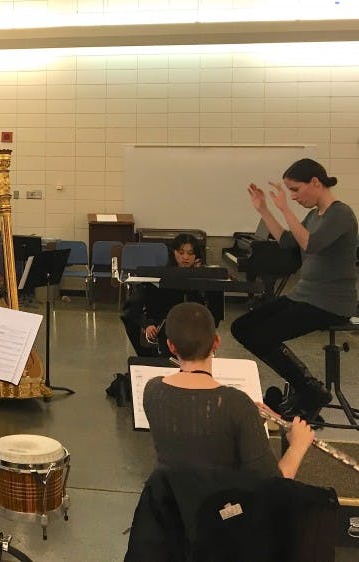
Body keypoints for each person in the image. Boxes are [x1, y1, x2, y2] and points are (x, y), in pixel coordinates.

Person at [231, 158, 358, 421]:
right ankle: (307, 387)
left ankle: (309, 390)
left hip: (329, 303)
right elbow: (289, 242)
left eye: (296, 190)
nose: (293, 196)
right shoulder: (315, 215)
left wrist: (285, 209)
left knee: (262, 335)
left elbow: (310, 244)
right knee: (242, 327)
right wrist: (265, 210)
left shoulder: (340, 214)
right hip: (304, 296)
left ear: (315, 182)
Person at [144, 303, 315, 480]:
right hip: (220, 497)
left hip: (167, 495)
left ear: (171, 346)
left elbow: (194, 449)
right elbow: (274, 485)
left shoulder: (153, 389)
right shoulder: (237, 403)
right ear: (216, 342)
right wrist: (297, 446)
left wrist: (245, 427)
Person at [120, 233, 208, 357]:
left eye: (190, 253)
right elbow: (133, 308)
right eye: (181, 252)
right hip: (163, 327)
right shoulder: (160, 275)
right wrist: (147, 324)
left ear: (196, 256)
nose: (185, 257)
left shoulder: (202, 277)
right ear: (173, 252)